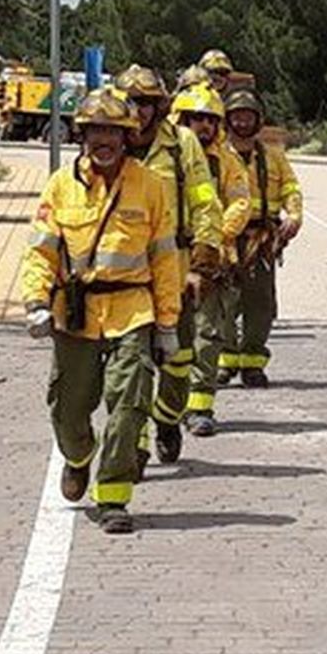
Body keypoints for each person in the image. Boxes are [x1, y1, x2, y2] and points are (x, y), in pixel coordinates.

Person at [22, 88, 183, 535]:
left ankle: (113, 495)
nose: (103, 139)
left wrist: (167, 323)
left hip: (133, 309)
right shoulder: (60, 185)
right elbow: (40, 252)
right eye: (95, 130)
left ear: (128, 136)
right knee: (68, 407)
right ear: (82, 134)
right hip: (74, 313)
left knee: (129, 403)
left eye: (112, 130)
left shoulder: (149, 186)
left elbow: (165, 258)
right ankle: (77, 457)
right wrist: (36, 301)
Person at [113, 64, 222, 468]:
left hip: (176, 274)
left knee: (178, 361)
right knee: (133, 367)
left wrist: (203, 265)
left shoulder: (182, 144)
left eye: (146, 103)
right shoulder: (109, 144)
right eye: (130, 102)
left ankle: (169, 418)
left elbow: (206, 203)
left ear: (160, 106)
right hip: (125, 279)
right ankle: (135, 445)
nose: (138, 111)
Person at [170, 84, 250, 439]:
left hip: (209, 257)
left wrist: (215, 238)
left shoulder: (227, 162)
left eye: (209, 120)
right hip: (163, 258)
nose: (202, 126)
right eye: (195, 118)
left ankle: (200, 407)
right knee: (165, 335)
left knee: (206, 332)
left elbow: (240, 202)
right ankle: (167, 404)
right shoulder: (160, 156)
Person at [216, 89, 303, 388]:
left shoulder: (273, 157)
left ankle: (253, 362)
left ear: (258, 120)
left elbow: (291, 188)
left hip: (260, 238)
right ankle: (225, 359)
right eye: (236, 116)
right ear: (227, 120)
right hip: (224, 238)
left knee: (260, 302)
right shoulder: (216, 156)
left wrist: (294, 216)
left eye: (247, 116)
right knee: (224, 301)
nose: (242, 122)